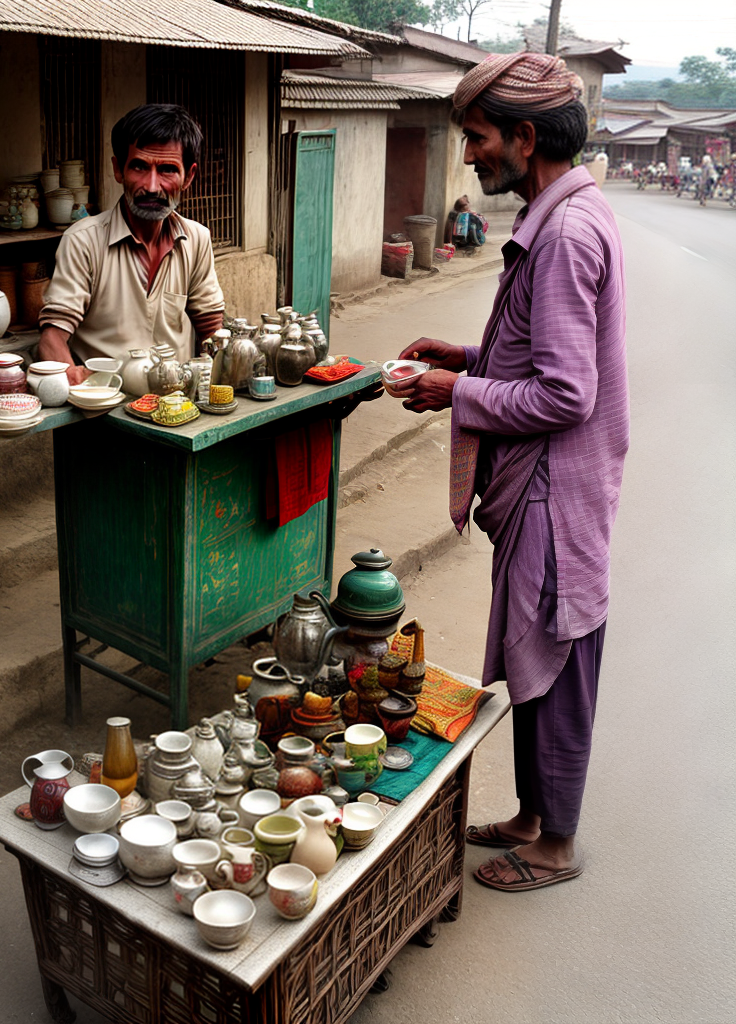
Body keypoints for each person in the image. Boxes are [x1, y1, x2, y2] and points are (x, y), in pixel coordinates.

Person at [385, 52, 629, 892]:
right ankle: (531, 817)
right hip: (547, 490)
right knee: (533, 659)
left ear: (526, 137)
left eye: (479, 137)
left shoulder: (564, 234)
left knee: (554, 663)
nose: (469, 156)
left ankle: (555, 844)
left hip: (558, 495)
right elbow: (535, 353)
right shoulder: (561, 216)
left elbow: (564, 393)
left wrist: (457, 390)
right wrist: (467, 356)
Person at [37, 103, 225, 383]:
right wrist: (74, 380)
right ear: (118, 170)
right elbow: (52, 337)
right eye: (139, 166)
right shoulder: (83, 241)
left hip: (176, 401)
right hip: (107, 402)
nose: (151, 186)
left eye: (167, 170)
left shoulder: (196, 239)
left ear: (189, 177)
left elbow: (211, 329)